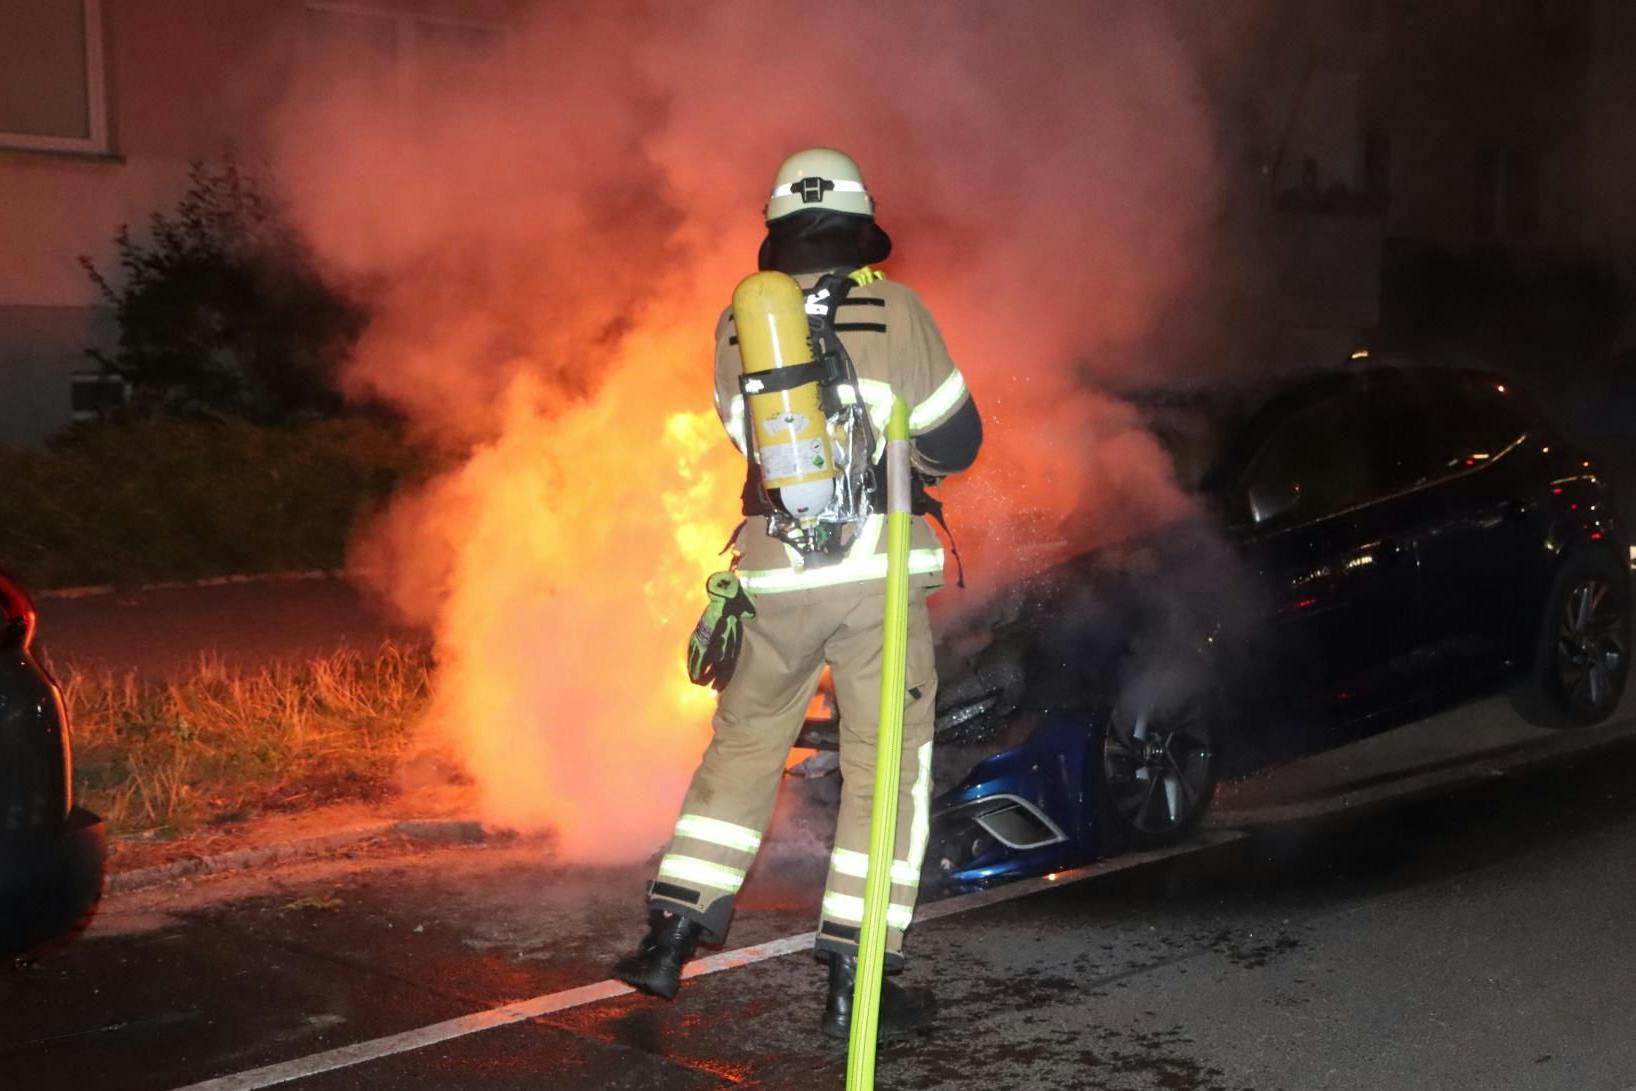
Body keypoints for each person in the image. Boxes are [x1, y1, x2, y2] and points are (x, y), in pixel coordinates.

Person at [611, 147, 982, 1039]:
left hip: (775, 571)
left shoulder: (738, 327)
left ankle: (671, 931)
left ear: (780, 234)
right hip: (875, 583)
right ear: (859, 230)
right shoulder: (896, 308)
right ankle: (860, 978)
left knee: (743, 746)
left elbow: (751, 439)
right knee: (884, 767)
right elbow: (955, 440)